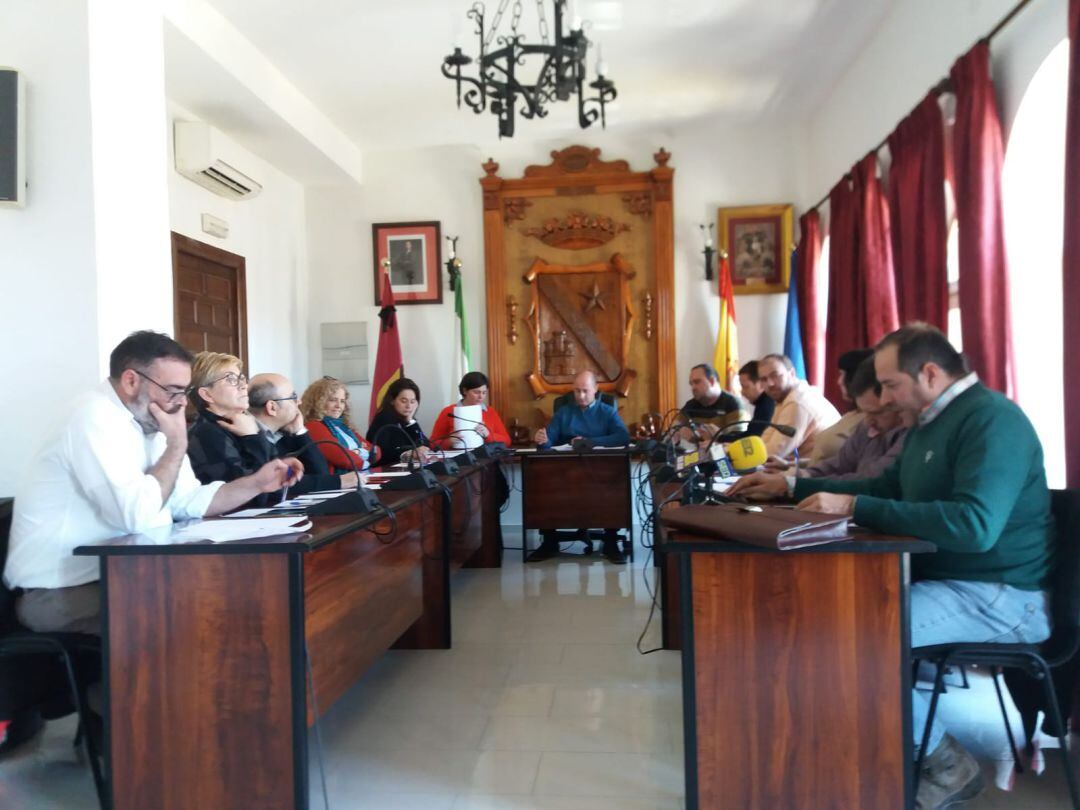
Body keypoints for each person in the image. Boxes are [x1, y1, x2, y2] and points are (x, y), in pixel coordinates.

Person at [730, 323, 1054, 809]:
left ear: (929, 373)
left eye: (889, 385)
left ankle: (946, 765)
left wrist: (853, 509)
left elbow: (975, 526)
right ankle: (876, 748)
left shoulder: (991, 421)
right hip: (953, 582)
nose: (881, 398)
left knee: (850, 630)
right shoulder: (931, 422)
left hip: (1002, 596)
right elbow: (884, 489)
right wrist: (789, 488)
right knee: (830, 614)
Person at [3, 331, 300, 634]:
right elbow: (136, 516)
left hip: (126, 574)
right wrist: (175, 446)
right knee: (200, 608)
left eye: (184, 391)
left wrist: (256, 484)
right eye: (172, 390)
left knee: (238, 589)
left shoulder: (152, 419)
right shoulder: (92, 417)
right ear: (131, 381)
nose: (181, 402)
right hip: (58, 591)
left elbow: (188, 501)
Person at [186, 356, 355, 504]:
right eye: (231, 379)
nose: (244, 386)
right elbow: (262, 491)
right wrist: (253, 437)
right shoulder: (208, 433)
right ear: (207, 395)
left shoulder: (237, 425)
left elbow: (278, 478)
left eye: (242, 378)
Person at [756, 356, 910, 484]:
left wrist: (793, 484)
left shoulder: (907, 432)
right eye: (763, 379)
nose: (868, 421)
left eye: (775, 375)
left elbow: (869, 480)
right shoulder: (865, 423)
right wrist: (795, 477)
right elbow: (838, 463)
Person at [530, 370, 630, 564]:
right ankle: (550, 541)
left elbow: (622, 437)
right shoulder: (564, 412)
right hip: (565, 471)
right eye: (576, 391)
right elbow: (548, 440)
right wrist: (542, 439)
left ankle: (610, 541)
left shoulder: (607, 411)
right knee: (543, 483)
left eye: (585, 391)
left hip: (600, 472)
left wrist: (590, 441)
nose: (580, 396)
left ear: (596, 390)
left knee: (615, 486)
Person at [247, 373, 358, 494]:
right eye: (293, 397)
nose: (299, 402)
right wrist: (337, 482)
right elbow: (271, 485)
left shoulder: (285, 431)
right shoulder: (243, 435)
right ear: (272, 407)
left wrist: (300, 432)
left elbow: (320, 472)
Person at [757, 353, 841, 458]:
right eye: (764, 379)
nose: (770, 383)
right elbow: (766, 439)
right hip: (806, 468)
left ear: (792, 373)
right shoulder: (784, 398)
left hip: (821, 471)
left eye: (775, 376)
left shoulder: (797, 401)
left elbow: (775, 452)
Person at [806, 348, 874, 465]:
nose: (839, 381)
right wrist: (788, 465)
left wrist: (794, 479)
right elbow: (829, 461)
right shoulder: (851, 415)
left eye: (842, 374)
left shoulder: (871, 420)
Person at [300, 377, 379, 473]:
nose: (338, 405)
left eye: (342, 401)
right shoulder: (313, 426)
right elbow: (343, 458)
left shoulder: (344, 426)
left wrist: (358, 452)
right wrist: (366, 462)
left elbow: (376, 451)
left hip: (359, 477)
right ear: (317, 402)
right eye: (333, 400)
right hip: (338, 484)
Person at [430, 371, 511, 449]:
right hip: (458, 459)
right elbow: (432, 444)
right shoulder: (448, 412)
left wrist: (488, 435)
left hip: (486, 459)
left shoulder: (490, 412)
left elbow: (507, 441)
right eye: (476, 392)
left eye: (484, 392)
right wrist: (449, 441)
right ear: (465, 391)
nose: (481, 396)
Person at [676, 363, 749, 444]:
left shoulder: (733, 404)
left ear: (712, 381)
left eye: (697, 382)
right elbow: (672, 433)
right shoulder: (690, 405)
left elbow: (738, 443)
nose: (693, 388)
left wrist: (715, 438)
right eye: (691, 384)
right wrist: (679, 433)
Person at [366, 378, 432, 467]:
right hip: (385, 471)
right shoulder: (384, 419)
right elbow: (383, 454)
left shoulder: (406, 420)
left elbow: (425, 444)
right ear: (392, 400)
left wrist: (410, 420)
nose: (409, 406)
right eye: (404, 401)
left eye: (412, 402)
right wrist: (408, 453)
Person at [726, 360, 776, 439]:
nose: (742, 392)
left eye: (745, 387)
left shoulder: (767, 406)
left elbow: (752, 438)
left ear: (761, 384)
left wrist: (718, 438)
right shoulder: (762, 403)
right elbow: (750, 434)